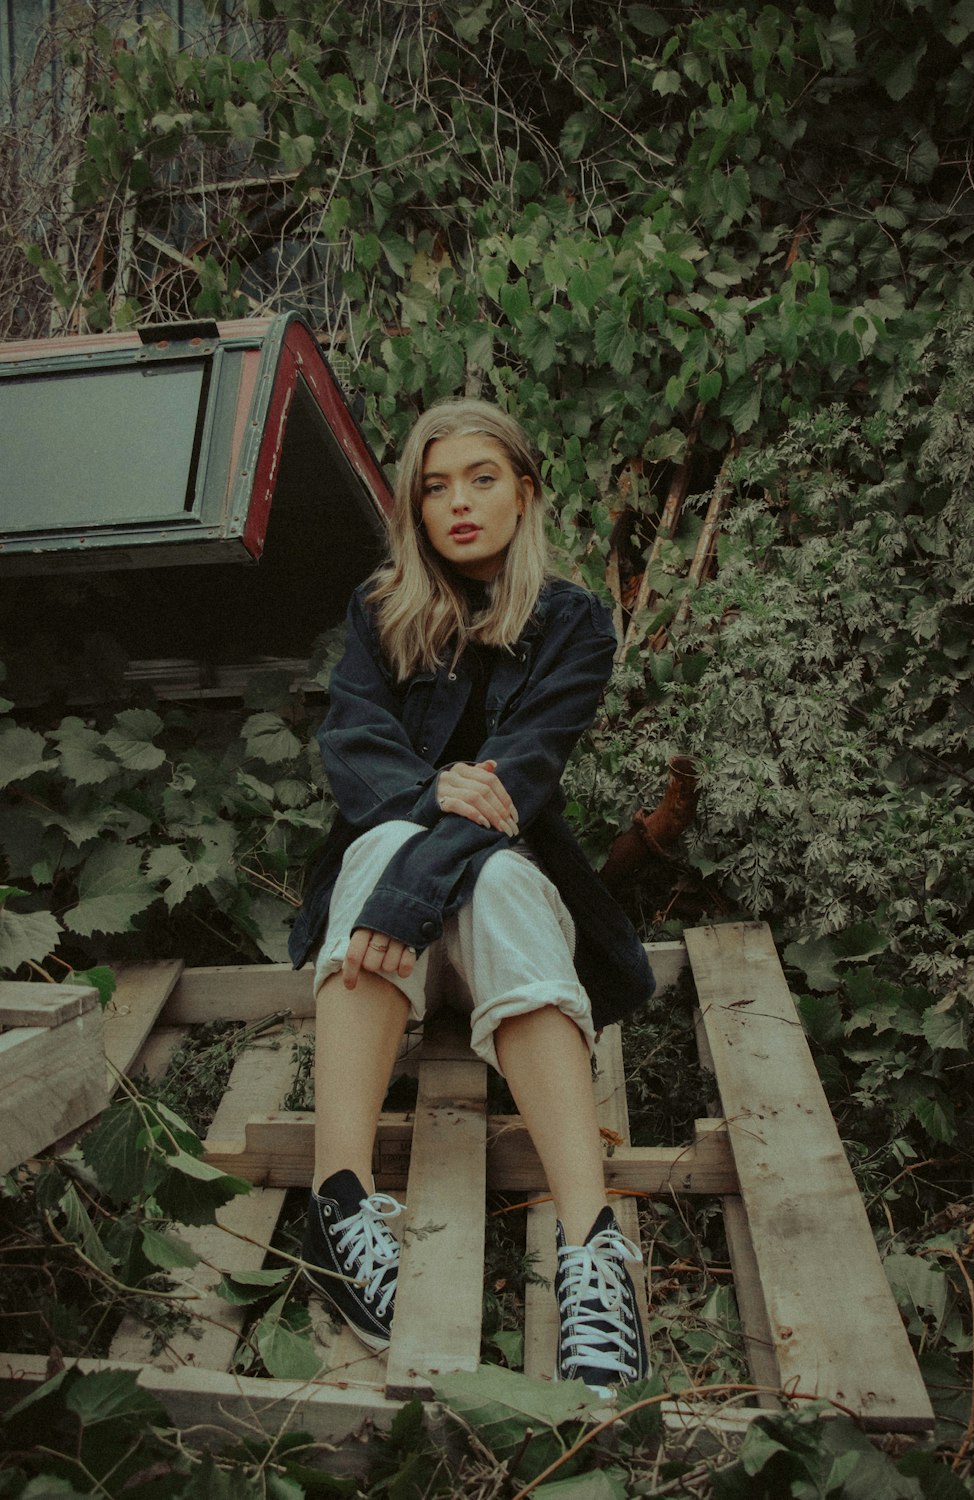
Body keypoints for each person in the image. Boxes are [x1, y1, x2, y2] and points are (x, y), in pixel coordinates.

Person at [288, 398, 656, 1394]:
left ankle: (591, 1250)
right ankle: (339, 1197)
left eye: (481, 478)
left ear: (525, 490)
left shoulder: (574, 624)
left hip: (485, 936)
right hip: (388, 950)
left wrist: (418, 871)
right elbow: (353, 750)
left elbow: (521, 777)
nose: (457, 503)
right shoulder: (379, 615)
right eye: (435, 485)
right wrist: (425, 799)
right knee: (384, 842)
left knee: (488, 872)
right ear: (415, 506)